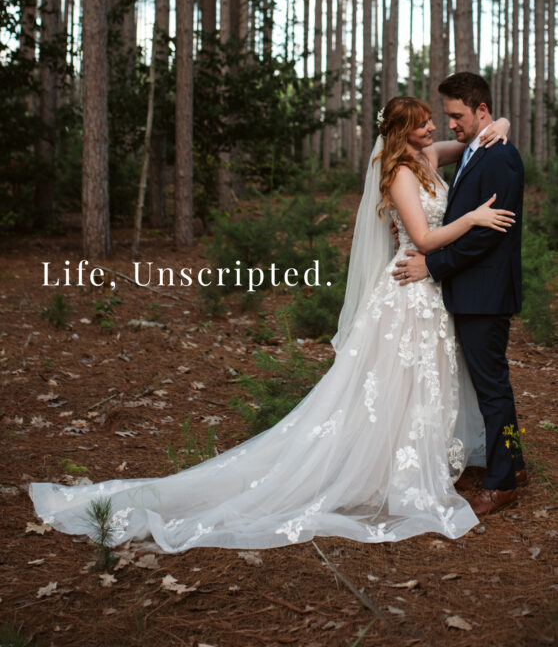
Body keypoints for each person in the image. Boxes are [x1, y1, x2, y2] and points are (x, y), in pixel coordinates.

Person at [29, 97, 513, 552]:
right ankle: (390, 472)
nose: (434, 127)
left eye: (436, 120)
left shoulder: (427, 158)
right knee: (388, 384)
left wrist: (503, 126)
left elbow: (471, 144)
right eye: (426, 122)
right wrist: (471, 217)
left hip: (427, 293)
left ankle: (411, 464)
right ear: (406, 133)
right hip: (409, 286)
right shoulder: (401, 176)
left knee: (420, 383)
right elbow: (425, 241)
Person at [393, 73, 525, 517]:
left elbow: (484, 239)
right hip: (468, 291)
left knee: (492, 388)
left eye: (456, 115)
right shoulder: (472, 150)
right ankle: (515, 463)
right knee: (491, 384)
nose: (449, 124)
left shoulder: (498, 158)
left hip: (484, 292)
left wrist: (432, 265)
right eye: (445, 115)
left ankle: (502, 481)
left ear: (480, 111)